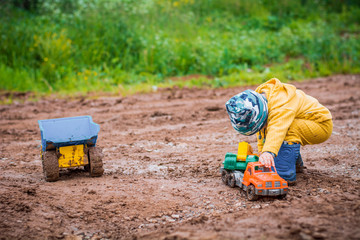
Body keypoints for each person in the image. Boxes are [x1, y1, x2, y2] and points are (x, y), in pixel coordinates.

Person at [225, 78, 333, 183]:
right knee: (273, 132)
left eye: (260, 126)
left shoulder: (282, 106)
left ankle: (284, 173)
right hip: (303, 121)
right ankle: (294, 163)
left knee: (285, 130)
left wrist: (268, 152)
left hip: (320, 125)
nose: (261, 129)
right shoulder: (262, 103)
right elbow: (262, 133)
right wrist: (262, 152)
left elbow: (277, 129)